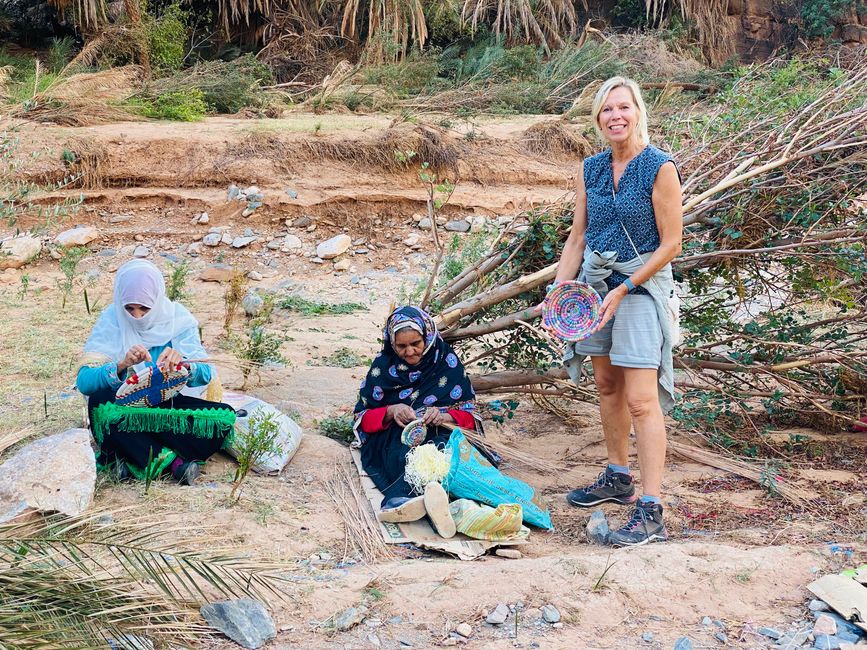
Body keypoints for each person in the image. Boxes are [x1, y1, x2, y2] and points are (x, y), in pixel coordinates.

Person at [544, 76, 683, 546]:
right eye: (607, 110)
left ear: (638, 111)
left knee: (641, 399)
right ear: (598, 118)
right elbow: (578, 236)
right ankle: (617, 477)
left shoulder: (660, 167)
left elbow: (671, 245)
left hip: (639, 290)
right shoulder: (591, 168)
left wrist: (623, 288)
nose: (615, 117)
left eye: (623, 107)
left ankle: (650, 508)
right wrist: (559, 290)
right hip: (593, 288)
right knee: (606, 384)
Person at [77, 259, 235, 485]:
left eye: (144, 308)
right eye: (129, 308)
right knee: (102, 405)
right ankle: (174, 465)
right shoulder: (111, 321)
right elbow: (84, 382)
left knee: (223, 418)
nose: (137, 316)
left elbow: (207, 373)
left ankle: (128, 460)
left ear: (158, 299)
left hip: (166, 407)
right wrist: (121, 365)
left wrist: (185, 365)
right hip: (122, 408)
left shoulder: (177, 321)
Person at [353, 306, 479, 538]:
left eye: (416, 343)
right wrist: (392, 410)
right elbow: (363, 419)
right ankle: (413, 500)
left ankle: (438, 502)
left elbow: (471, 418)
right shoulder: (382, 368)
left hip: (440, 430)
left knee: (445, 454)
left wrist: (443, 416)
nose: (410, 352)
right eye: (401, 346)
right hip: (397, 435)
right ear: (391, 343)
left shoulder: (446, 363)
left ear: (428, 337)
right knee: (407, 455)